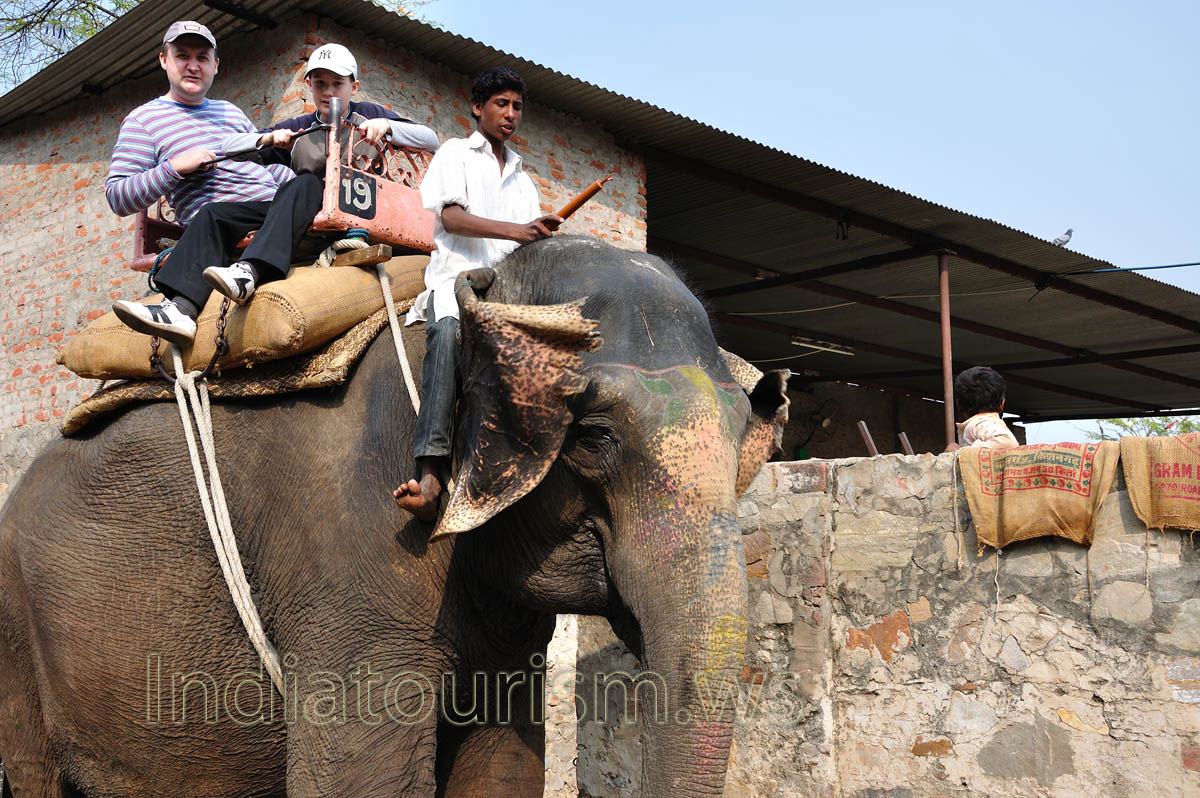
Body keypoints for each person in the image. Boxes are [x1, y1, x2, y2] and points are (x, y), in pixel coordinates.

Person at [110, 41, 438, 345]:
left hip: (358, 208)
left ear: (353, 86)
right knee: (215, 213)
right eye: (320, 83)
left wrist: (389, 127)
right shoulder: (300, 126)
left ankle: (251, 270)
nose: (328, 92)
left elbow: (429, 138)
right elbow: (228, 146)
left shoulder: (370, 112)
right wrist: (267, 139)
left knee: (307, 183)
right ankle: (180, 308)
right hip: (302, 208)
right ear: (309, 86)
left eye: (337, 84)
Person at [393, 66, 563, 522]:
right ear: (478, 107)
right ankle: (429, 474)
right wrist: (519, 231)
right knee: (447, 335)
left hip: (506, 292)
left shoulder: (525, 181)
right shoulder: (455, 153)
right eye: (501, 104)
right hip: (457, 283)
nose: (511, 114)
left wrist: (540, 238)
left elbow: (523, 247)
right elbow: (451, 219)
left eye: (518, 107)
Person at [949, 366, 1020, 450]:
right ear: (1002, 404)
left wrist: (960, 453)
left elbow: (1007, 442)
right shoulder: (981, 424)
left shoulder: (981, 423)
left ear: (958, 405)